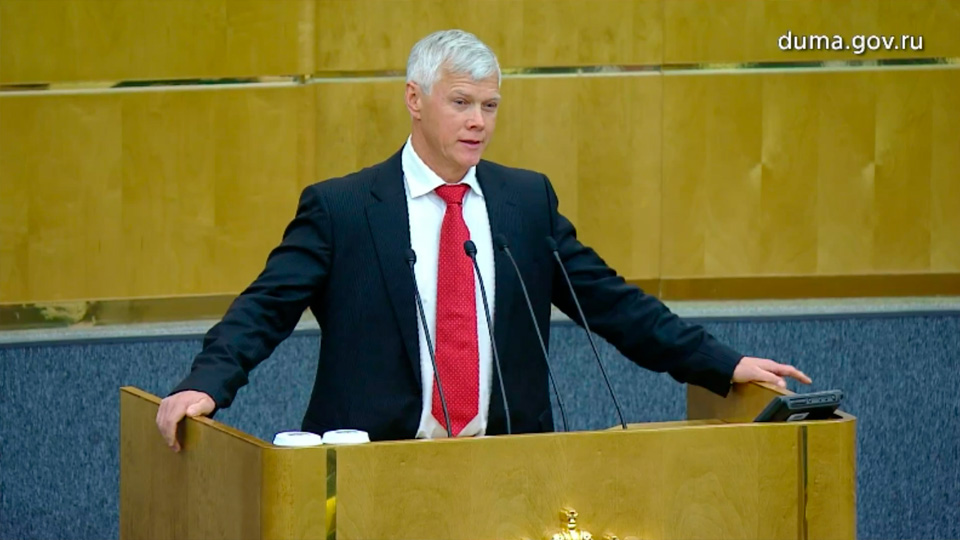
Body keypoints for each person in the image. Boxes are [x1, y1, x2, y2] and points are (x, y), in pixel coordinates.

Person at [156, 29, 810, 450]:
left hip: (506, 465)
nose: (478, 122)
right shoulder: (343, 208)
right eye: (461, 103)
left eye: (489, 106)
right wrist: (206, 383)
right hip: (373, 467)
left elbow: (611, 303)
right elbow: (264, 308)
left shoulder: (525, 202)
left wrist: (722, 363)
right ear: (415, 100)